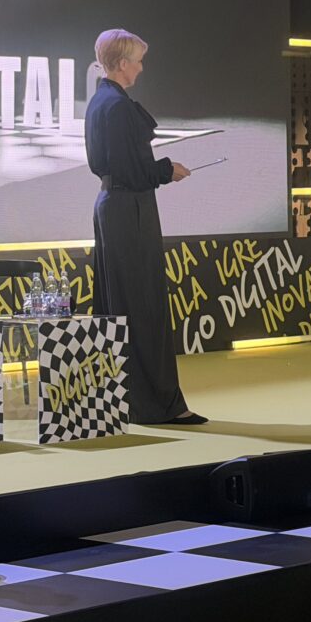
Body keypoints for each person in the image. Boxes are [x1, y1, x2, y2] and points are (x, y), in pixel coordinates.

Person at [83, 28, 204, 426]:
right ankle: (157, 404)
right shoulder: (117, 106)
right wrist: (167, 170)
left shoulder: (100, 102)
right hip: (129, 209)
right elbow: (133, 170)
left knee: (120, 305)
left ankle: (127, 402)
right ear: (121, 64)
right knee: (143, 306)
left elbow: (111, 166)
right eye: (137, 61)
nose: (141, 67)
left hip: (113, 207)